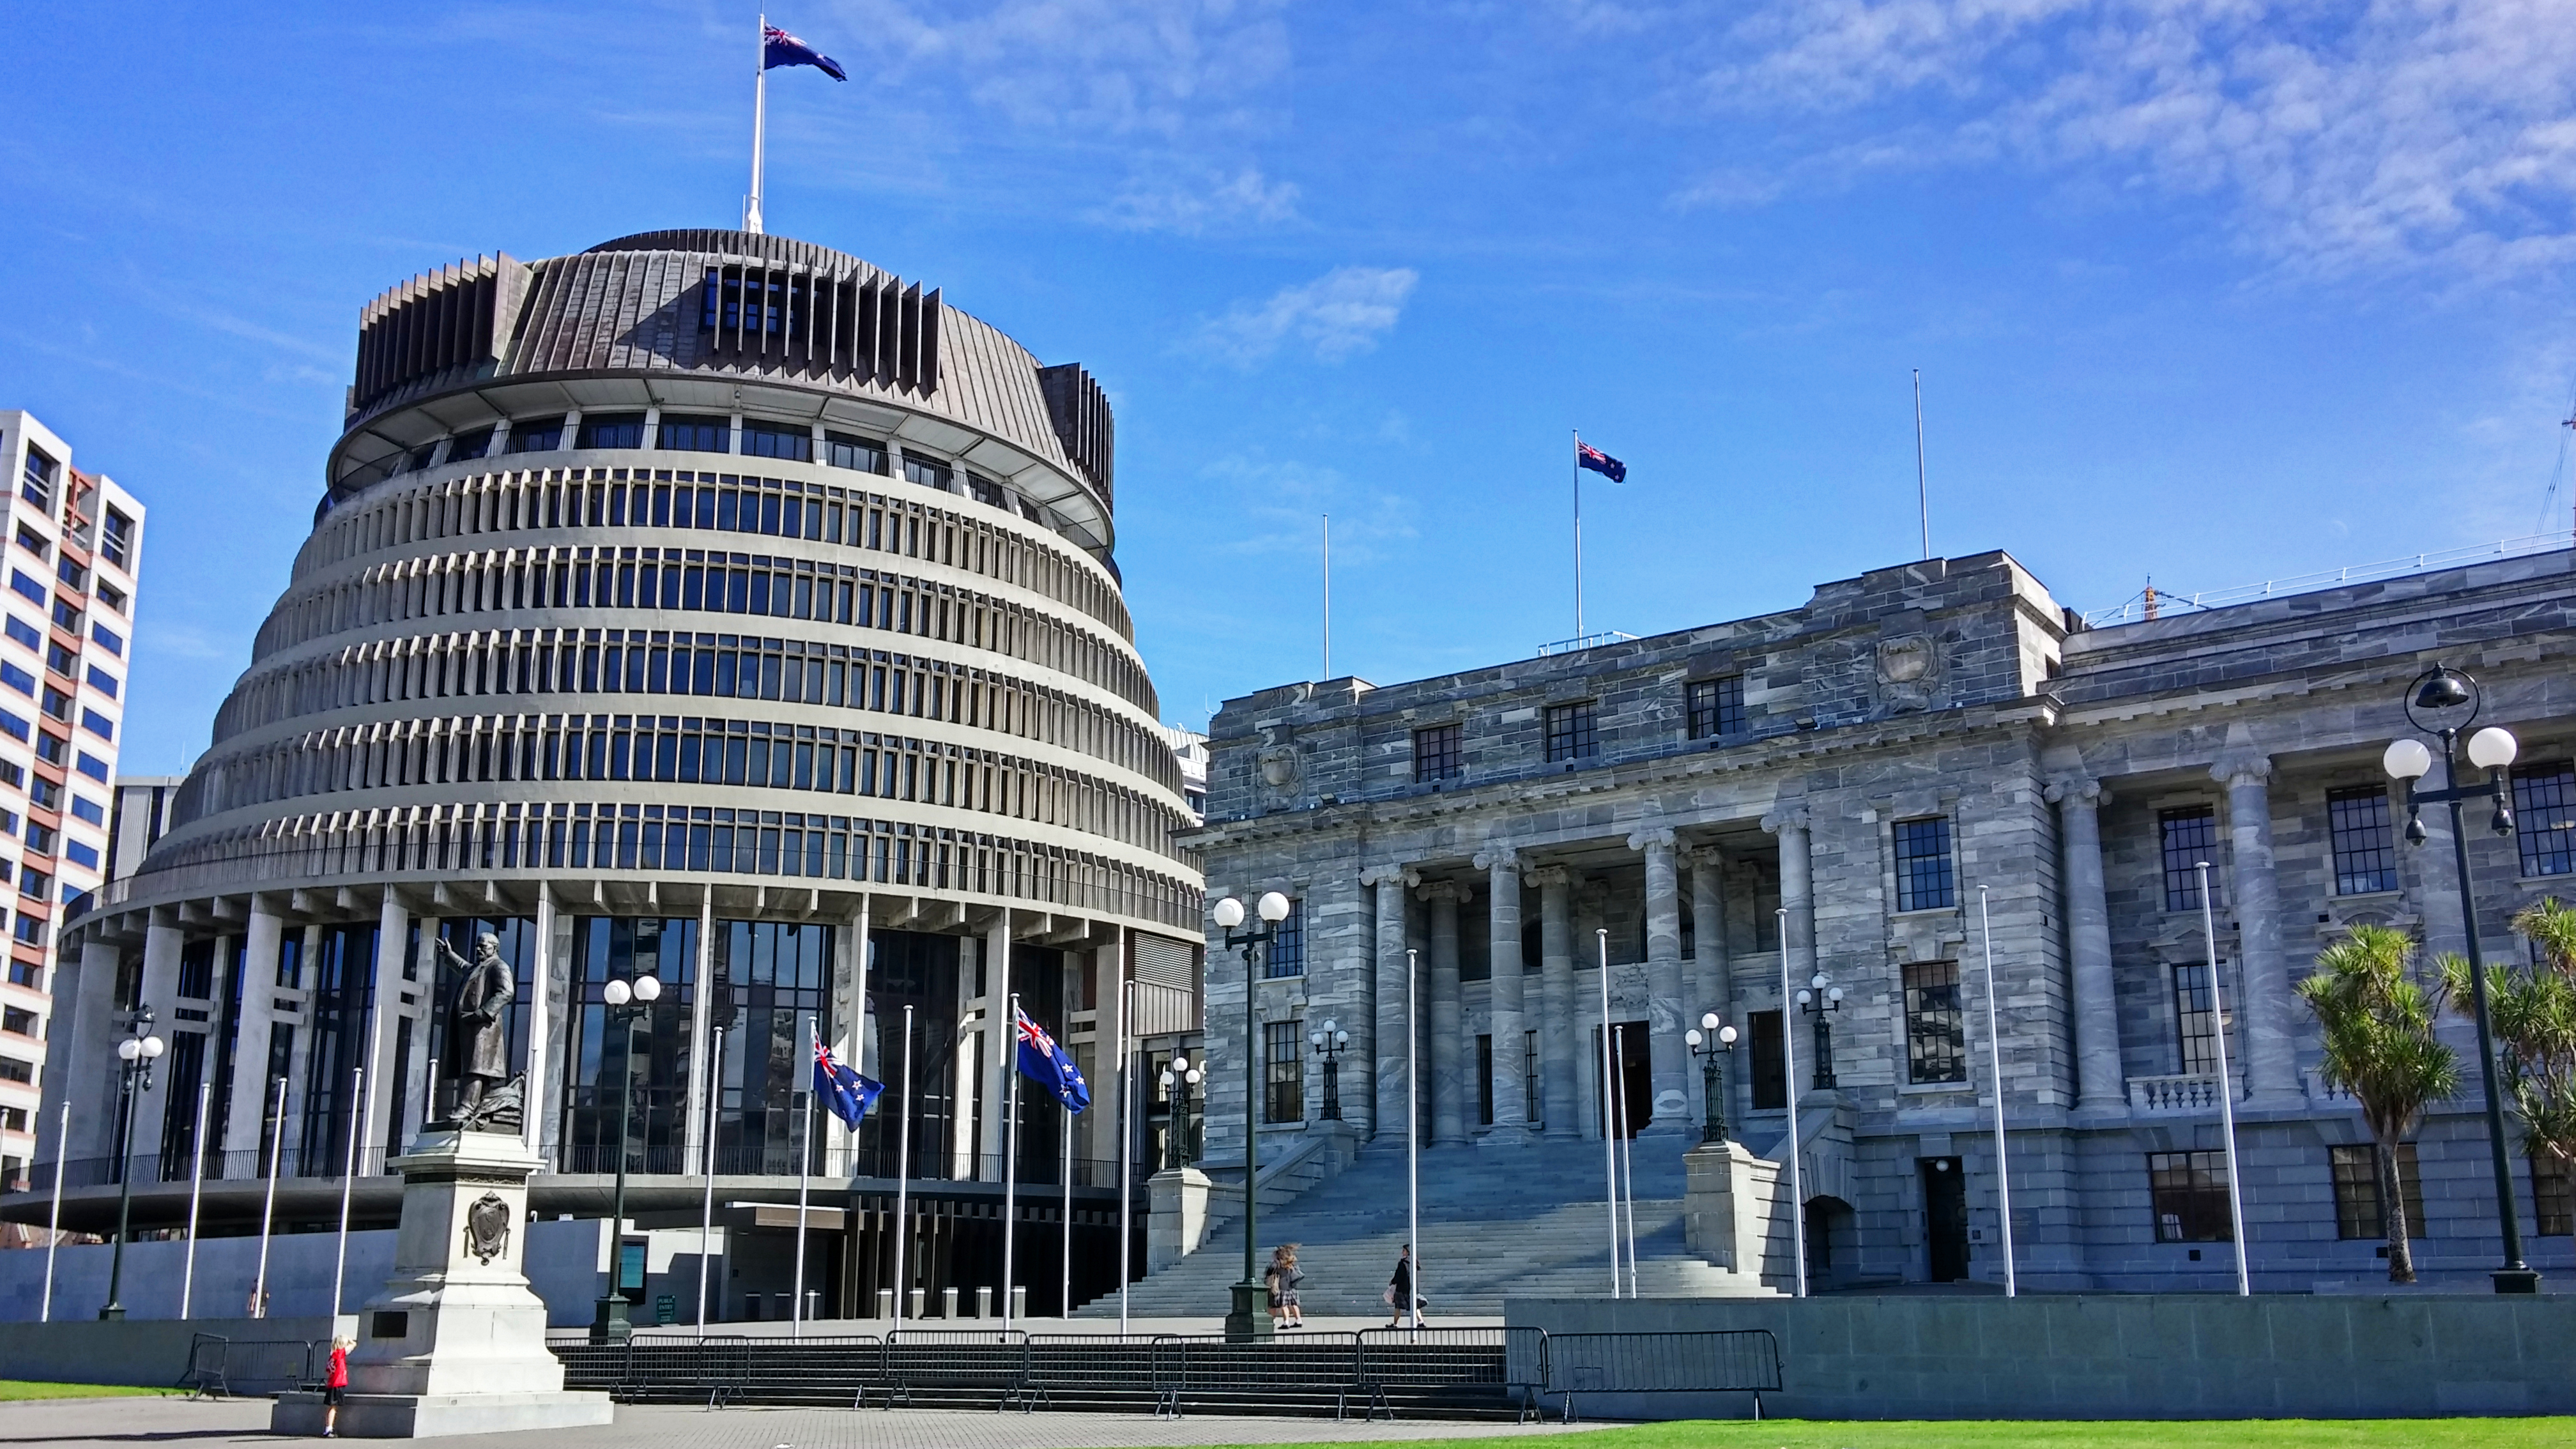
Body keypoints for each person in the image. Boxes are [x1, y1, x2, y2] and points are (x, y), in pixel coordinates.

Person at [1387, 1244, 1425, 1328]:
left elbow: (1399, 1276)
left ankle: (1395, 1324)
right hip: (1412, 1288)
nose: (1402, 1252)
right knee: (1414, 1306)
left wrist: (1393, 1282)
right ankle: (1421, 1321)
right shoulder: (1413, 1262)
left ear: (1408, 1252)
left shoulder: (1403, 1263)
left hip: (1402, 1289)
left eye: (1404, 1251)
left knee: (1398, 1306)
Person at [321, 1336, 351, 1437]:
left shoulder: (333, 1356)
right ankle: (329, 1429)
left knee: (332, 1407)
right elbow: (353, 1345)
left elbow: (328, 1370)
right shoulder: (339, 1354)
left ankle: (329, 1428)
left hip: (332, 1383)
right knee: (333, 1407)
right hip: (337, 1384)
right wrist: (350, 1341)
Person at [1276, 1243, 1305, 1329]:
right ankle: (1299, 1320)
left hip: (1283, 1288)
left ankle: (1286, 1322)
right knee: (1294, 1305)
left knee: (1284, 1306)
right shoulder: (1291, 1264)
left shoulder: (1280, 1266)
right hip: (1292, 1287)